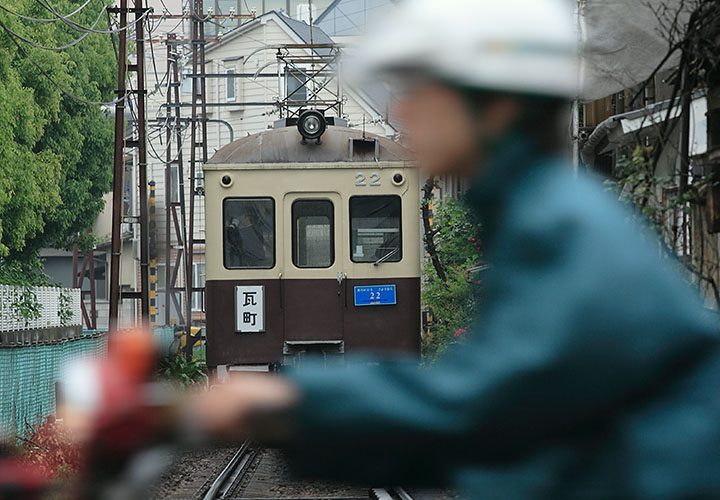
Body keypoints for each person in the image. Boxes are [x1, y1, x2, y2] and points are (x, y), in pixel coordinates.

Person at [190, 0, 720, 498]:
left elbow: (472, 410)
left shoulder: (558, 230)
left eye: (429, 92)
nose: (406, 109)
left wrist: (289, 405)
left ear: (497, 107)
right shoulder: (539, 213)